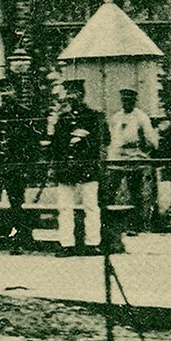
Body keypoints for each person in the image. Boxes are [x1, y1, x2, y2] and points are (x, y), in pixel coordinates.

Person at [0, 75, 41, 254]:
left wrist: (27, 166)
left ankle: (19, 243)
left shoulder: (26, 114)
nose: (6, 94)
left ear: (16, 93)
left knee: (16, 205)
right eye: (3, 92)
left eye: (9, 91)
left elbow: (32, 143)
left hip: (16, 166)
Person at [49, 79, 108, 256]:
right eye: (70, 94)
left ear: (82, 95)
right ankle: (66, 243)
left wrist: (84, 141)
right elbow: (56, 146)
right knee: (65, 207)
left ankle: (93, 243)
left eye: (76, 94)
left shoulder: (93, 116)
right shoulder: (62, 120)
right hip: (66, 169)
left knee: (91, 206)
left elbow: (103, 141)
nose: (73, 98)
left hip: (86, 167)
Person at [106, 87, 160, 233]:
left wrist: (143, 150)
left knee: (134, 192)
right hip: (117, 157)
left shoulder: (141, 117)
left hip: (134, 156)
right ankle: (109, 224)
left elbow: (151, 139)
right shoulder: (116, 117)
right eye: (124, 100)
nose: (126, 103)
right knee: (110, 190)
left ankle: (135, 225)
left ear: (134, 101)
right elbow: (111, 137)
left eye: (129, 100)